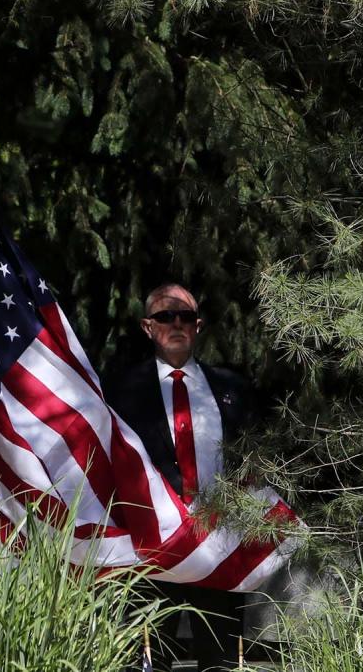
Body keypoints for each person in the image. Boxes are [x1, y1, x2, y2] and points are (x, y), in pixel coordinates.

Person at [103, 282, 257, 672]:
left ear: (198, 326)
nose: (176, 324)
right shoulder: (118, 391)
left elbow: (255, 460)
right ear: (147, 326)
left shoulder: (232, 389)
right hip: (151, 548)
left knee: (218, 660)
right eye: (164, 316)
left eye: (185, 317)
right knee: (148, 660)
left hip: (218, 545)